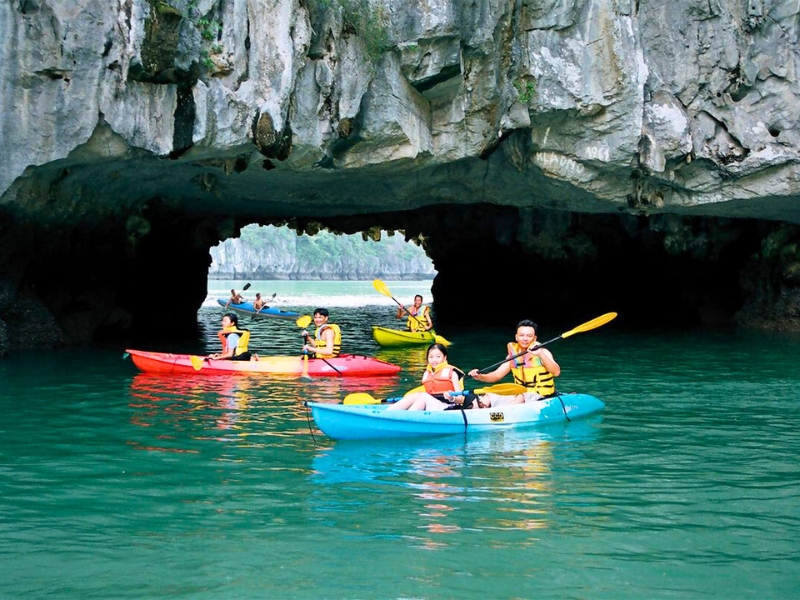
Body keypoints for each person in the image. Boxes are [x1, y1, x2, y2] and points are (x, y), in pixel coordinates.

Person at [467, 319, 560, 407]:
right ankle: (477, 409)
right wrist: (480, 376)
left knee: (521, 397)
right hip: (519, 392)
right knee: (489, 396)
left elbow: (556, 372)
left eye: (529, 336)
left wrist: (541, 354)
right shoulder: (513, 357)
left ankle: (504, 412)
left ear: (534, 338)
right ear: (516, 337)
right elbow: (496, 375)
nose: (525, 339)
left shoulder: (543, 352)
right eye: (521, 335)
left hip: (540, 395)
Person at [387, 343, 474, 411]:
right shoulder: (427, 373)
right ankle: (390, 412)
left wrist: (452, 398)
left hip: (448, 407)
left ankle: (406, 418)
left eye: (438, 357)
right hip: (432, 405)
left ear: (445, 358)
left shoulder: (452, 373)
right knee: (418, 395)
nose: (434, 360)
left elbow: (460, 399)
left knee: (422, 396)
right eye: (431, 357)